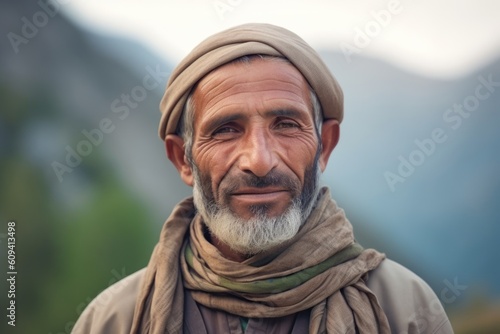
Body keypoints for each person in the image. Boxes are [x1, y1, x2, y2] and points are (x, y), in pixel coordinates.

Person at [73, 23, 454, 334]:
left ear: (324, 146)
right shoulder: (114, 320)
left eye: (286, 125)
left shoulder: (404, 309)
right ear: (182, 159)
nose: (259, 160)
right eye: (225, 129)